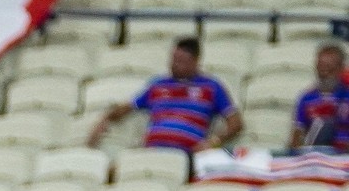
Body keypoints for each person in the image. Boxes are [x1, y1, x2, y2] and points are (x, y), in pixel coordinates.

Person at [86, 38, 242, 152]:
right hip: (152, 149)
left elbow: (236, 123)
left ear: (196, 61)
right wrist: (104, 119)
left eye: (181, 61)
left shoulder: (211, 87)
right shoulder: (158, 85)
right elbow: (127, 107)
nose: (174, 64)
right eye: (173, 59)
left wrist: (213, 142)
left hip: (187, 153)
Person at [290, 43, 349, 151]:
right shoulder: (306, 98)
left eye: (329, 68)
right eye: (320, 67)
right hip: (316, 155)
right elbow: (297, 136)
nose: (324, 73)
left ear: (341, 68)